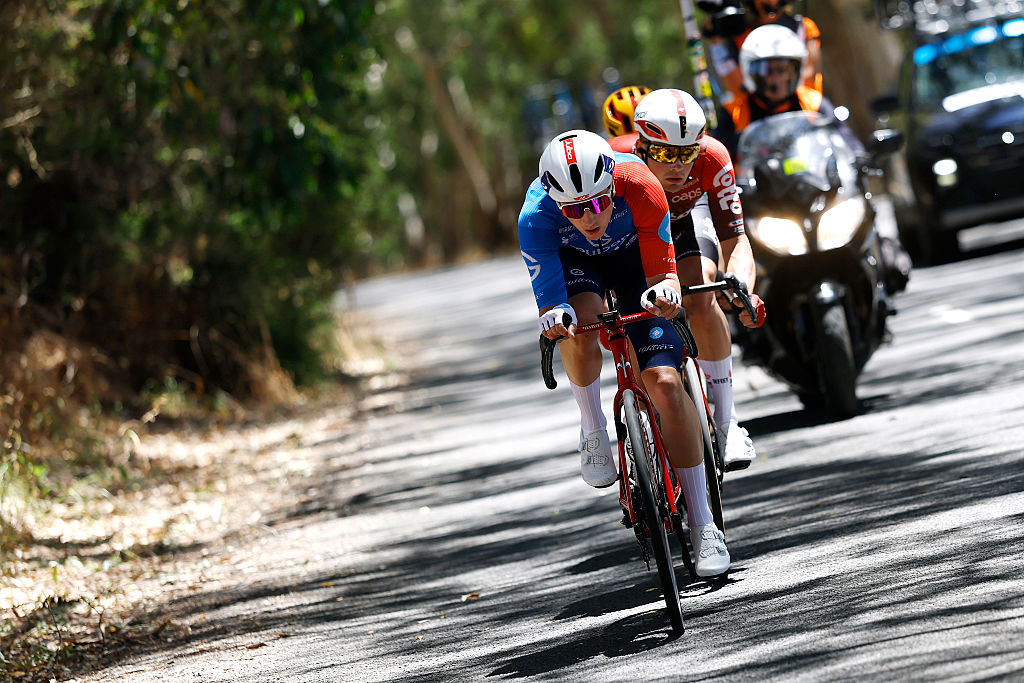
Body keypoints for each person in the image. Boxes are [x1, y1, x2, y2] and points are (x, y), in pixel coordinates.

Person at [518, 129, 730, 576]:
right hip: (577, 266)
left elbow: (665, 273)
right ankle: (593, 426)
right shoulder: (535, 218)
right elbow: (551, 303)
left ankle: (704, 522)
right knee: (578, 326)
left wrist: (668, 292)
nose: (590, 217)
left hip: (636, 261)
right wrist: (555, 318)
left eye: (597, 202)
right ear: (556, 204)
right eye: (575, 210)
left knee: (667, 385)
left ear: (612, 184)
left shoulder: (640, 185)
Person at [607, 87, 765, 472]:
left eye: (687, 154)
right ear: (641, 148)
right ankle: (649, 408)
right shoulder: (614, 160)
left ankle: (727, 423)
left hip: (682, 223)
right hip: (628, 238)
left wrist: (743, 288)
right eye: (665, 154)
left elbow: (734, 237)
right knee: (631, 317)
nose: (679, 166)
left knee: (701, 295)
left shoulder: (714, 156)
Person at [715, 24, 863, 158]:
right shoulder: (734, 112)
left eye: (783, 69)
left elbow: (845, 137)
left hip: (817, 184)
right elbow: (721, 159)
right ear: (751, 72)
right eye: (767, 70)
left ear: (797, 69)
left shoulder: (812, 101)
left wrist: (859, 156)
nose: (776, 78)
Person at [705, 0, 822, 104]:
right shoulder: (742, 38)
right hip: (759, 118)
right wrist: (716, 40)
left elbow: (808, 76)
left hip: (804, 112)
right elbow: (736, 88)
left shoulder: (804, 27)